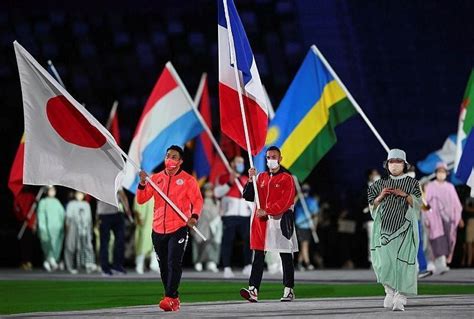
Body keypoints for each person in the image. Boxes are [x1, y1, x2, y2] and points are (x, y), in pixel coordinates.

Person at [137, 145, 203, 312]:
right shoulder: (156, 178)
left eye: (174, 157)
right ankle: (173, 297)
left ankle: (169, 297)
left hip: (178, 227)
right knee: (163, 266)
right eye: (168, 156)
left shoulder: (188, 180)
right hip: (158, 229)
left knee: (174, 262)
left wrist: (194, 217)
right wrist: (143, 183)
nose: (170, 159)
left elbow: (197, 200)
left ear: (180, 161)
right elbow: (141, 200)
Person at [240, 146, 298, 303]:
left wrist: (268, 210)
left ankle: (289, 289)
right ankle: (253, 290)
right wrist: (251, 180)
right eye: (268, 157)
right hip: (262, 224)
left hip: (281, 222)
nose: (270, 160)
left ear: (280, 159)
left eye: (273, 157)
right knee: (258, 256)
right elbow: (248, 196)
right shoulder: (261, 177)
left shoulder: (287, 178)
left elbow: (286, 201)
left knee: (285, 255)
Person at [367, 149, 422, 311]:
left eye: (398, 161)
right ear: (387, 164)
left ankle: (401, 295)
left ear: (404, 165)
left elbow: (419, 204)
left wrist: (405, 195)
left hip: (405, 231)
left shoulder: (413, 184)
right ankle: (389, 291)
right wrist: (380, 197)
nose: (394, 165)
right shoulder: (378, 185)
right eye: (391, 162)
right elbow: (372, 206)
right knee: (384, 263)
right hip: (384, 232)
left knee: (404, 264)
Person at [214, 156, 253, 278]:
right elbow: (217, 193)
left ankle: (248, 265)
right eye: (238, 162)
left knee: (248, 241)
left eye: (242, 162)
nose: (240, 164)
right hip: (229, 215)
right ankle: (226, 267)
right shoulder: (223, 177)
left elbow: (252, 197)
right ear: (232, 163)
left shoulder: (246, 179)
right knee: (228, 241)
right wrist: (230, 182)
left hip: (244, 215)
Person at [424, 162, 463, 274]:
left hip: (448, 219)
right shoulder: (430, 186)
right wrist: (427, 218)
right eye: (439, 172)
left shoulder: (450, 187)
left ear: (446, 173)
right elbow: (425, 203)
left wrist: (458, 217)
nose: (441, 174)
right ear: (436, 173)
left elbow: (457, 204)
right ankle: (438, 263)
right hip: (434, 219)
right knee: (437, 239)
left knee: (449, 240)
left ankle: (443, 261)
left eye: (443, 172)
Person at [97, 189, 131, 276]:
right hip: (104, 214)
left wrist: (127, 209)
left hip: (117, 213)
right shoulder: (99, 182)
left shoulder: (117, 179)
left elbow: (123, 195)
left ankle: (117, 266)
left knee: (120, 241)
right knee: (105, 242)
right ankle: (105, 268)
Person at [192, 183, 222, 272]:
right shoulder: (199, 201)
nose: (209, 193)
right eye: (207, 191)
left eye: (210, 191)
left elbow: (219, 213)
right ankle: (198, 262)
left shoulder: (216, 202)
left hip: (213, 226)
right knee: (198, 244)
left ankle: (211, 261)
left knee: (213, 244)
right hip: (201, 225)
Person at [64, 191, 96, 274]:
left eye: (81, 193)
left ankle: (87, 264)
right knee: (71, 247)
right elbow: (68, 218)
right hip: (73, 228)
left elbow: (89, 220)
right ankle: (71, 266)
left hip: (84, 229)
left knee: (87, 247)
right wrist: (67, 230)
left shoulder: (86, 205)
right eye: (78, 193)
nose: (79, 195)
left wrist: (90, 230)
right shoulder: (71, 204)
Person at [37, 186, 65, 272]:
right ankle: (50, 260)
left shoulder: (57, 202)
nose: (52, 192)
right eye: (50, 190)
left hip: (57, 228)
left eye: (53, 190)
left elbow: (62, 214)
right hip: (47, 228)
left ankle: (50, 261)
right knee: (48, 245)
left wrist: (62, 226)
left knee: (56, 245)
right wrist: (42, 228)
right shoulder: (43, 202)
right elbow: (41, 216)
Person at [294, 184, 319, 271]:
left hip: (308, 225)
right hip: (301, 225)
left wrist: (315, 225)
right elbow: (291, 205)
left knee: (304, 245)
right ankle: (308, 263)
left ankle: (300, 263)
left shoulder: (312, 201)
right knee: (305, 245)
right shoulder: (299, 201)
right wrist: (298, 196)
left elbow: (316, 215)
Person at [133, 196, 160, 274]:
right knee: (142, 245)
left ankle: (154, 264)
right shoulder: (140, 193)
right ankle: (139, 265)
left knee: (155, 245)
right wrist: (138, 218)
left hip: (154, 224)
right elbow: (136, 209)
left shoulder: (156, 194)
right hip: (143, 225)